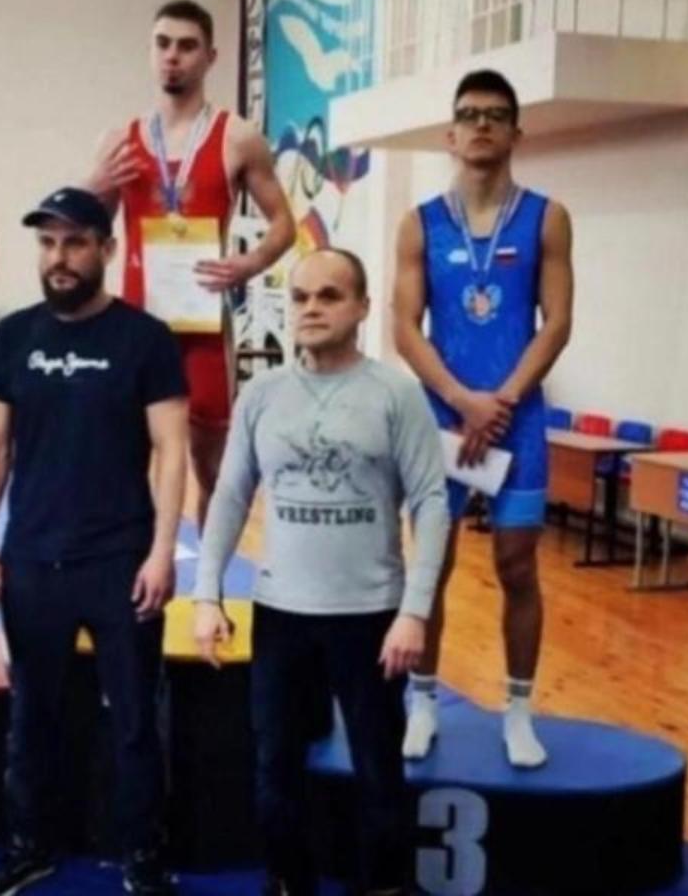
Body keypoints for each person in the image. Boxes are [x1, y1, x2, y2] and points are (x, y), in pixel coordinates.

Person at [193, 249, 450, 896]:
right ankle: (288, 881)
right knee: (274, 768)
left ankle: (382, 886)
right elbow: (229, 496)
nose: (311, 308)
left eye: (329, 296)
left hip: (370, 617)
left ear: (362, 308)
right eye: (301, 296)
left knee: (378, 771)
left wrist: (415, 611)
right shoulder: (262, 395)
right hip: (281, 614)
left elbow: (431, 502)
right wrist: (207, 594)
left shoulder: (395, 394)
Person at [0, 187, 188, 896]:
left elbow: (172, 449)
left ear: (106, 249)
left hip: (120, 559)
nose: (58, 257)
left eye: (74, 242)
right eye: (48, 243)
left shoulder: (145, 339)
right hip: (32, 559)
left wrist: (162, 551)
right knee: (31, 715)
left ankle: (142, 854)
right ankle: (28, 846)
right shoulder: (14, 336)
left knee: (135, 721)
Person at [392, 69, 573, 769]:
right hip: (441, 417)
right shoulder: (420, 224)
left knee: (517, 566)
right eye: (469, 114)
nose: (482, 125)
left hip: (516, 421)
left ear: (516, 132)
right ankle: (423, 701)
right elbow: (405, 327)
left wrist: (501, 401)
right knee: (430, 566)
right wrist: (464, 399)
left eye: (496, 114)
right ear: (450, 134)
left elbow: (556, 322)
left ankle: (519, 710)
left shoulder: (546, 217)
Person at [88, 0, 295, 527]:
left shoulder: (237, 137)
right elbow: (87, 231)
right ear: (150, 51)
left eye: (186, 46)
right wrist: (96, 184)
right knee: (124, 467)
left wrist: (249, 263)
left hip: (203, 329)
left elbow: (284, 224)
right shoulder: (120, 141)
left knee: (214, 471)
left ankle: (210, 577)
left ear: (210, 56)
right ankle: (135, 573)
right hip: (137, 326)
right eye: (163, 44)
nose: (172, 56)